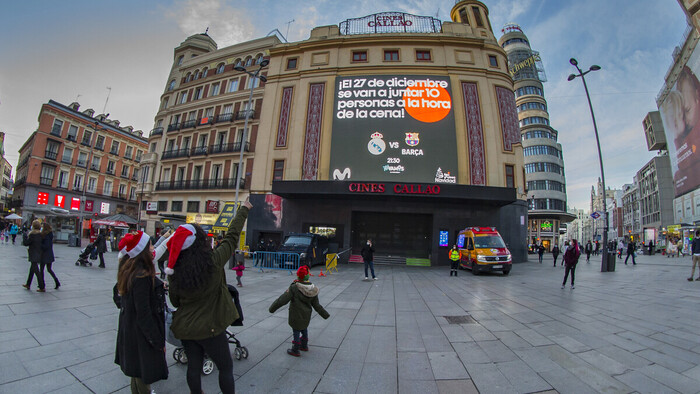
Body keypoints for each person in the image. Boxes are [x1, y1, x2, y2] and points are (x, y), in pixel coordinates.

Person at [166, 199, 251, 394]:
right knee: (225, 367)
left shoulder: (175, 271)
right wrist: (244, 210)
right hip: (210, 327)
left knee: (193, 368)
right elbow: (231, 238)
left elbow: (174, 301)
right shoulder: (212, 262)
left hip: (186, 328)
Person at [114, 231, 169, 393]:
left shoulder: (128, 268)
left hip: (129, 328)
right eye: (150, 245)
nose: (153, 247)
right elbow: (143, 313)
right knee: (142, 371)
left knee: (135, 370)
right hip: (140, 334)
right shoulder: (141, 276)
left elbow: (119, 296)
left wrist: (157, 284)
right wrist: (157, 340)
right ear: (142, 250)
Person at [269, 265, 330, 357]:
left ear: (298, 276)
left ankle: (295, 349)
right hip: (306, 315)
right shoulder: (313, 289)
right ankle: (304, 345)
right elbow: (317, 305)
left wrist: (272, 308)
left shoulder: (294, 287)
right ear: (308, 276)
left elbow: (283, 299)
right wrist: (325, 315)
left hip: (295, 314)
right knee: (304, 328)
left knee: (296, 330)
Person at [22, 220, 45, 292]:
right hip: (39, 253)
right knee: (32, 269)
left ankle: (42, 286)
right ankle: (28, 284)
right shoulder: (41, 235)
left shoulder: (32, 235)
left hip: (33, 253)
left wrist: (24, 236)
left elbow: (26, 243)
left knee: (36, 271)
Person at [41, 222, 60, 290]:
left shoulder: (46, 236)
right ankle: (56, 281)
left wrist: (40, 246)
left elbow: (46, 245)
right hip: (49, 255)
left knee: (42, 270)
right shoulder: (49, 235)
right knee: (49, 269)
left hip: (44, 255)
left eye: (42, 227)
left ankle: (42, 285)